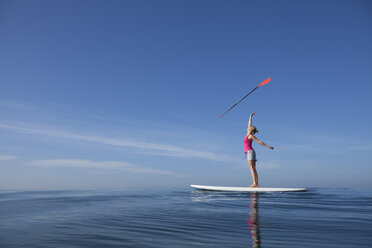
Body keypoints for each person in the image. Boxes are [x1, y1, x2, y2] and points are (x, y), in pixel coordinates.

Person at [244, 112, 274, 187]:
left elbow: (259, 142)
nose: (248, 127)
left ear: (251, 130)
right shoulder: (248, 133)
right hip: (250, 152)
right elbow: (249, 124)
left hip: (250, 152)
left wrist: (268, 146)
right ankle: (256, 184)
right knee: (253, 168)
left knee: (251, 168)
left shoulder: (250, 136)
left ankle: (255, 183)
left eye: (249, 128)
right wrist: (250, 117)